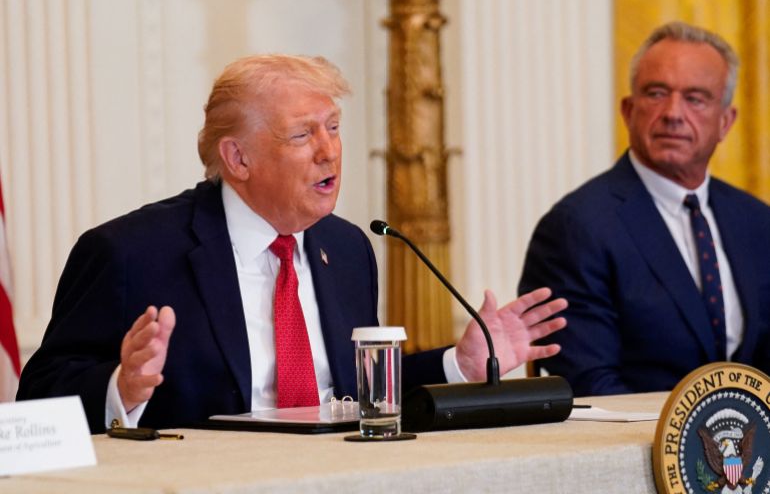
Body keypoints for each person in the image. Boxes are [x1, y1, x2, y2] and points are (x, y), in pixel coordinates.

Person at [17, 54, 567, 432]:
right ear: (238, 159)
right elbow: (38, 401)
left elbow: (352, 398)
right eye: (304, 134)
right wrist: (121, 388)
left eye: (334, 127)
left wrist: (459, 365)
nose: (329, 151)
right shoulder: (131, 253)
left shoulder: (348, 249)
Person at [518, 21, 770, 396]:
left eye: (695, 98)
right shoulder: (576, 228)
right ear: (628, 110)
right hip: (638, 449)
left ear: (725, 122)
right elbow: (590, 387)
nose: (672, 113)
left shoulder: (757, 221)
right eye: (656, 93)